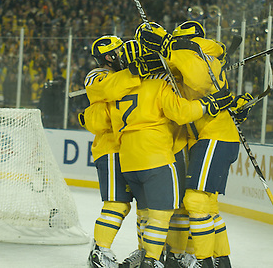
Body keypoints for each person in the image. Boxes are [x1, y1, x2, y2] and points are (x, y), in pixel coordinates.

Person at [107, 39, 234, 268]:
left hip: (128, 156)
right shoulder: (161, 84)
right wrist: (209, 104)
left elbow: (105, 122)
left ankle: (154, 254)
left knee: (144, 212)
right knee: (165, 213)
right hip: (158, 153)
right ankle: (154, 260)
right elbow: (182, 113)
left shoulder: (117, 87)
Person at [136, 20, 254, 268]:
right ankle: (220, 260)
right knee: (208, 204)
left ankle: (204, 261)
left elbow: (199, 80)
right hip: (209, 136)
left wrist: (169, 46)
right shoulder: (199, 59)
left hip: (215, 135)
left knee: (195, 201)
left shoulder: (200, 55)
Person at [79, 35, 143, 268]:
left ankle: (145, 252)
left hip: (134, 148)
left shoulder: (127, 74)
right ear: (109, 56)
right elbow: (112, 90)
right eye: (121, 51)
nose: (126, 54)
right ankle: (100, 250)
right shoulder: (97, 75)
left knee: (147, 206)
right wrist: (136, 73)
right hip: (111, 149)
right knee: (117, 203)